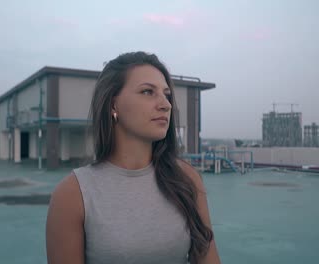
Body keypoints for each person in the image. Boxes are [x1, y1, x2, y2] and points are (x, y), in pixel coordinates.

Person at [46, 51, 220, 264]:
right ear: (113, 105)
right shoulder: (73, 194)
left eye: (166, 94)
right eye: (148, 92)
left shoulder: (187, 179)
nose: (165, 104)